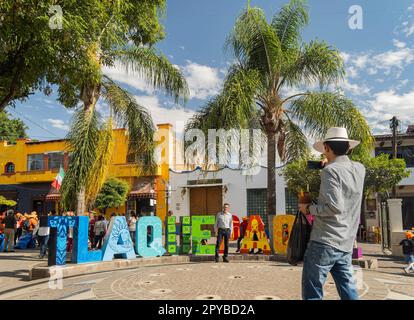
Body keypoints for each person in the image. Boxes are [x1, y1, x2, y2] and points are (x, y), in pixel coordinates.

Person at [299, 127, 365, 300]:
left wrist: (308, 209)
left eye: (325, 149)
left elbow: (334, 207)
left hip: (325, 240)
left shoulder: (331, 171)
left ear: (327, 148)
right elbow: (344, 176)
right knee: (347, 287)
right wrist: (329, 165)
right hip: (346, 241)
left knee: (312, 288)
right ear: (348, 148)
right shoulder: (360, 169)